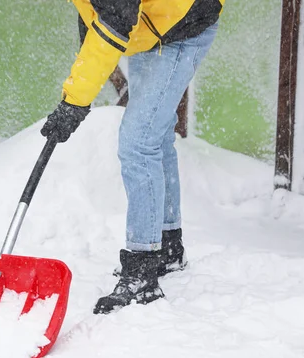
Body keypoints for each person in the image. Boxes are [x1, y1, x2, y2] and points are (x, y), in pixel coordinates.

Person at [40, 0, 225, 314]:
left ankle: (141, 272)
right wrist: (77, 95)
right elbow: (95, 17)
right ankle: (167, 246)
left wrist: (75, 102)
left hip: (183, 24)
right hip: (149, 25)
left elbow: (114, 18)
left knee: (139, 142)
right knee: (157, 136)